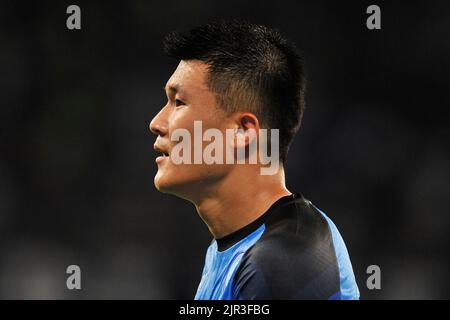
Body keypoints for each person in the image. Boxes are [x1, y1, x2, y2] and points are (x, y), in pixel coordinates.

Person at [149, 20, 359, 300]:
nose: (156, 123)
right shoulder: (239, 247)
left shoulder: (284, 260)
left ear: (243, 131)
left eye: (179, 102)